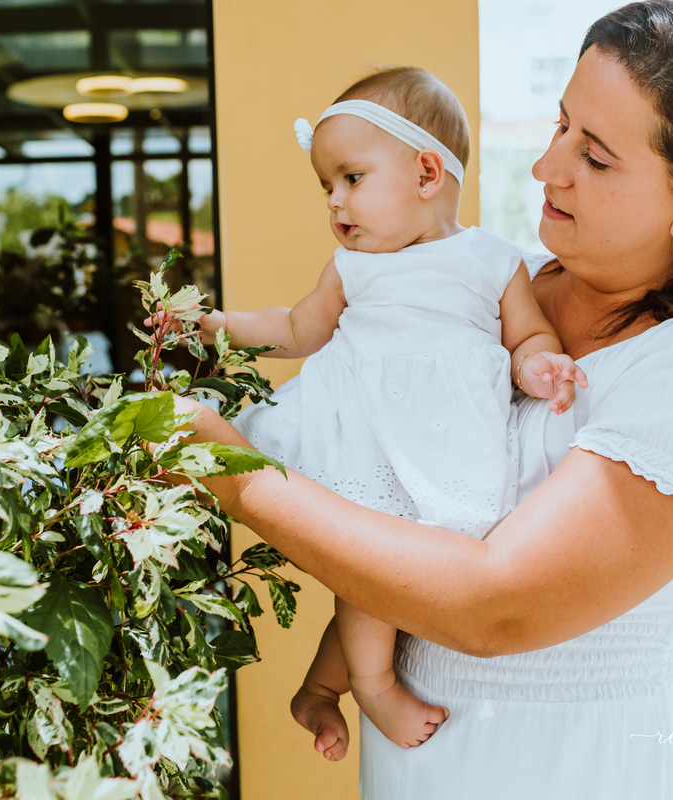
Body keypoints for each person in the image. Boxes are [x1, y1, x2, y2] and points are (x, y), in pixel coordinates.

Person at [176, 1, 673, 796]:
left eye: (594, 157)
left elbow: (499, 606)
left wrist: (233, 470)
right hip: (423, 759)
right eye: (560, 126)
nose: (545, 168)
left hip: (595, 765)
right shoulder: (482, 289)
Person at [196, 67, 587, 756]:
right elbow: (297, 328)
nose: (334, 202)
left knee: (389, 582)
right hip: (363, 433)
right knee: (374, 572)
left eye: (351, 178)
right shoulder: (352, 268)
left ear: (427, 174)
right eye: (327, 186)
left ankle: (319, 688)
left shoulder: (493, 262)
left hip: (440, 440)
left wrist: (539, 366)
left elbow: (526, 335)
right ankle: (373, 688)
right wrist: (221, 325)